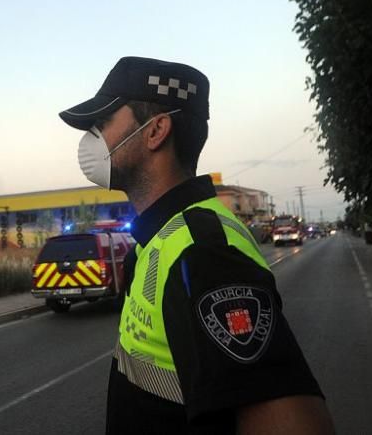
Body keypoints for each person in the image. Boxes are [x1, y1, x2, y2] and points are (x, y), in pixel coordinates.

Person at [59, 56, 334, 434]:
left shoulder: (203, 252)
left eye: (103, 123)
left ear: (156, 132)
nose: (92, 138)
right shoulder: (157, 240)